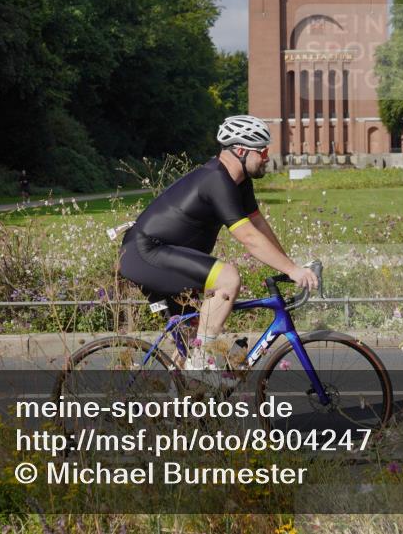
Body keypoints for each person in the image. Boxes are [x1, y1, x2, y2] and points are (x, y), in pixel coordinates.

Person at [117, 115, 318, 381]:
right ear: (242, 151)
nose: (268, 157)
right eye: (264, 151)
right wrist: (292, 270)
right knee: (228, 278)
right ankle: (200, 364)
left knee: (193, 339)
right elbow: (248, 237)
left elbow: (257, 224)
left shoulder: (239, 182)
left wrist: (291, 265)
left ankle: (182, 404)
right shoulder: (216, 180)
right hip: (145, 254)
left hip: (160, 256)